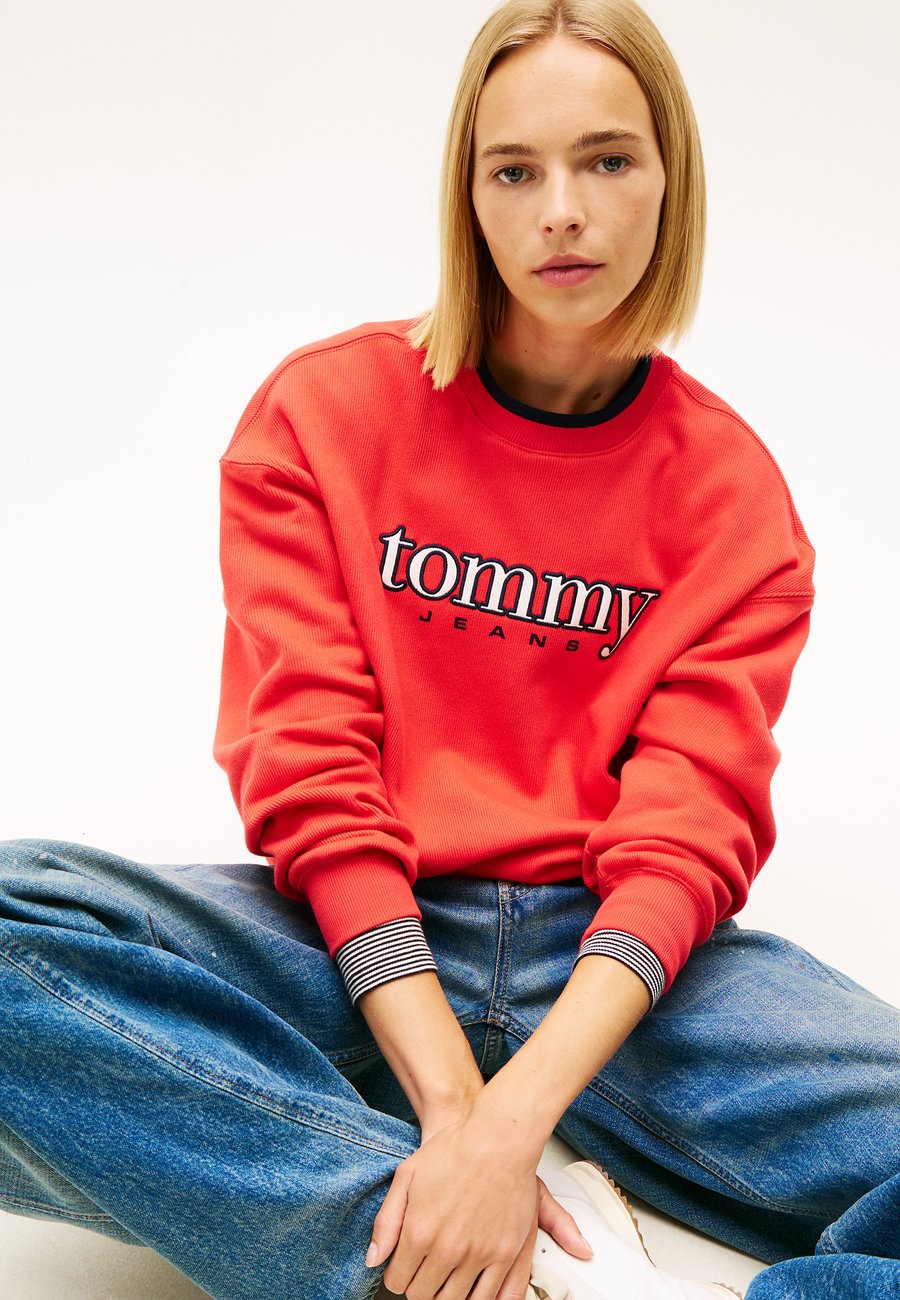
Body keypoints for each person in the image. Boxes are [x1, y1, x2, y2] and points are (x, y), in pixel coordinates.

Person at [1, 1, 897, 1298]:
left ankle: (334, 1204)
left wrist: (511, 1121)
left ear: (671, 178)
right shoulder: (324, 413)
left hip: (610, 974)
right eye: (514, 171)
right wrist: (454, 1127)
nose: (562, 212)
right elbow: (311, 768)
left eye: (607, 159)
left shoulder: (733, 498)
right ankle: (483, 1267)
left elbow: (685, 834)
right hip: (352, 939)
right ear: (466, 197)